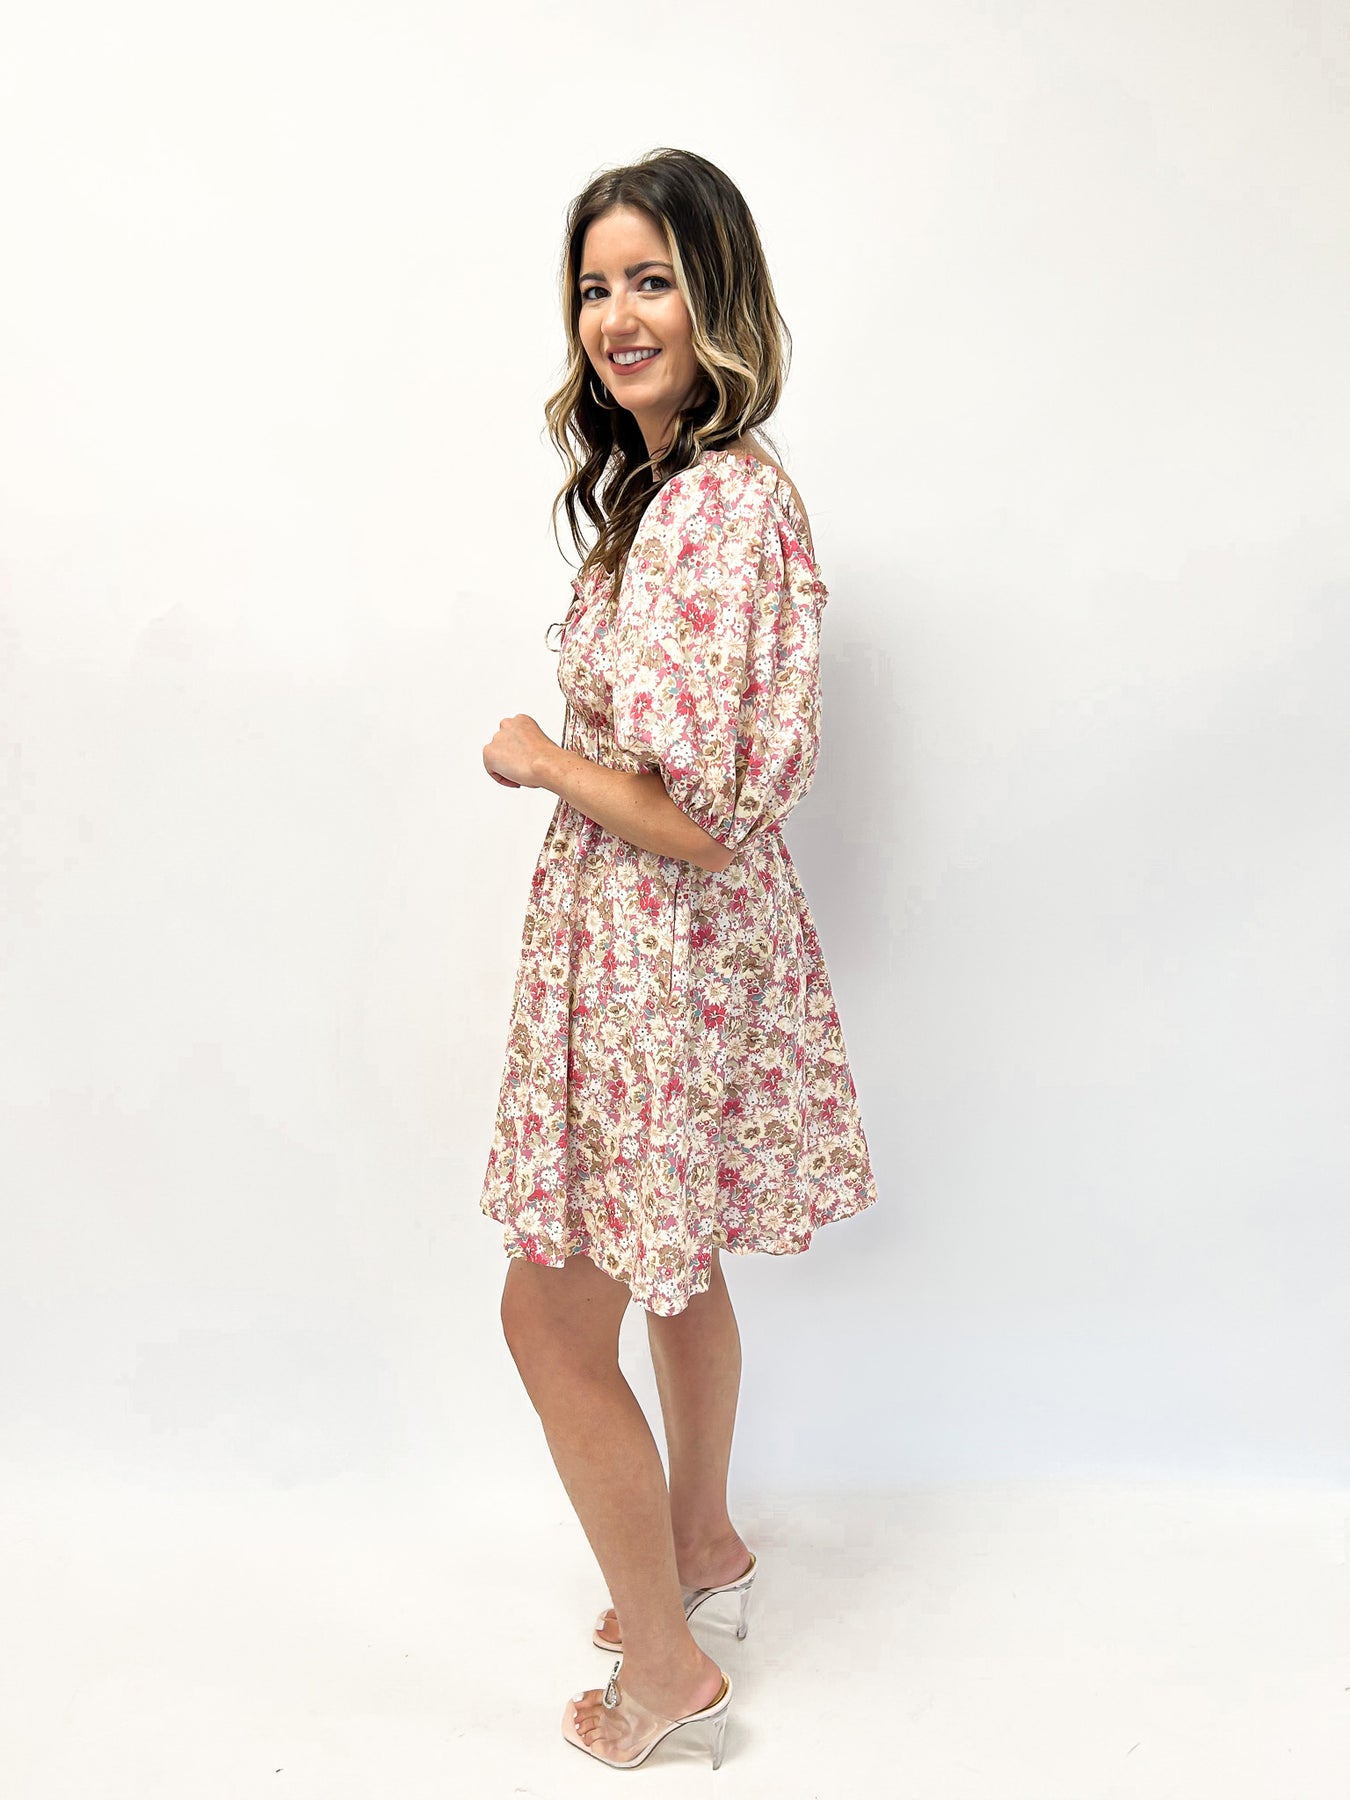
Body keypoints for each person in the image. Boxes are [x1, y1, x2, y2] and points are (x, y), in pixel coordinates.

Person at [479, 147, 878, 1771]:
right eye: (595, 286)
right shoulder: (692, 493)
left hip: (662, 947)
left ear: (718, 298)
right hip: (676, 959)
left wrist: (538, 758)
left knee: (548, 1323)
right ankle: (700, 1546)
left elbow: (698, 818)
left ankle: (667, 1674)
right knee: (676, 1260)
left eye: (652, 279)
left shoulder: (712, 505)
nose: (617, 316)